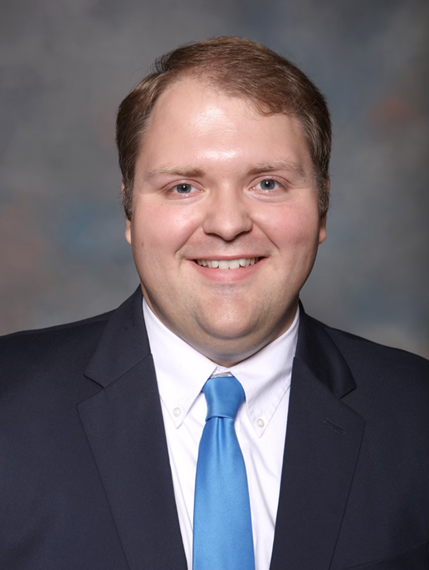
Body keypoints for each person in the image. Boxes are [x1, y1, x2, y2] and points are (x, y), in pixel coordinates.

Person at [0, 36, 427, 570]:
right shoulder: (8, 408)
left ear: (322, 209)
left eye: (267, 183)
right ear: (129, 211)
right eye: (184, 187)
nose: (228, 224)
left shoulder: (417, 416)